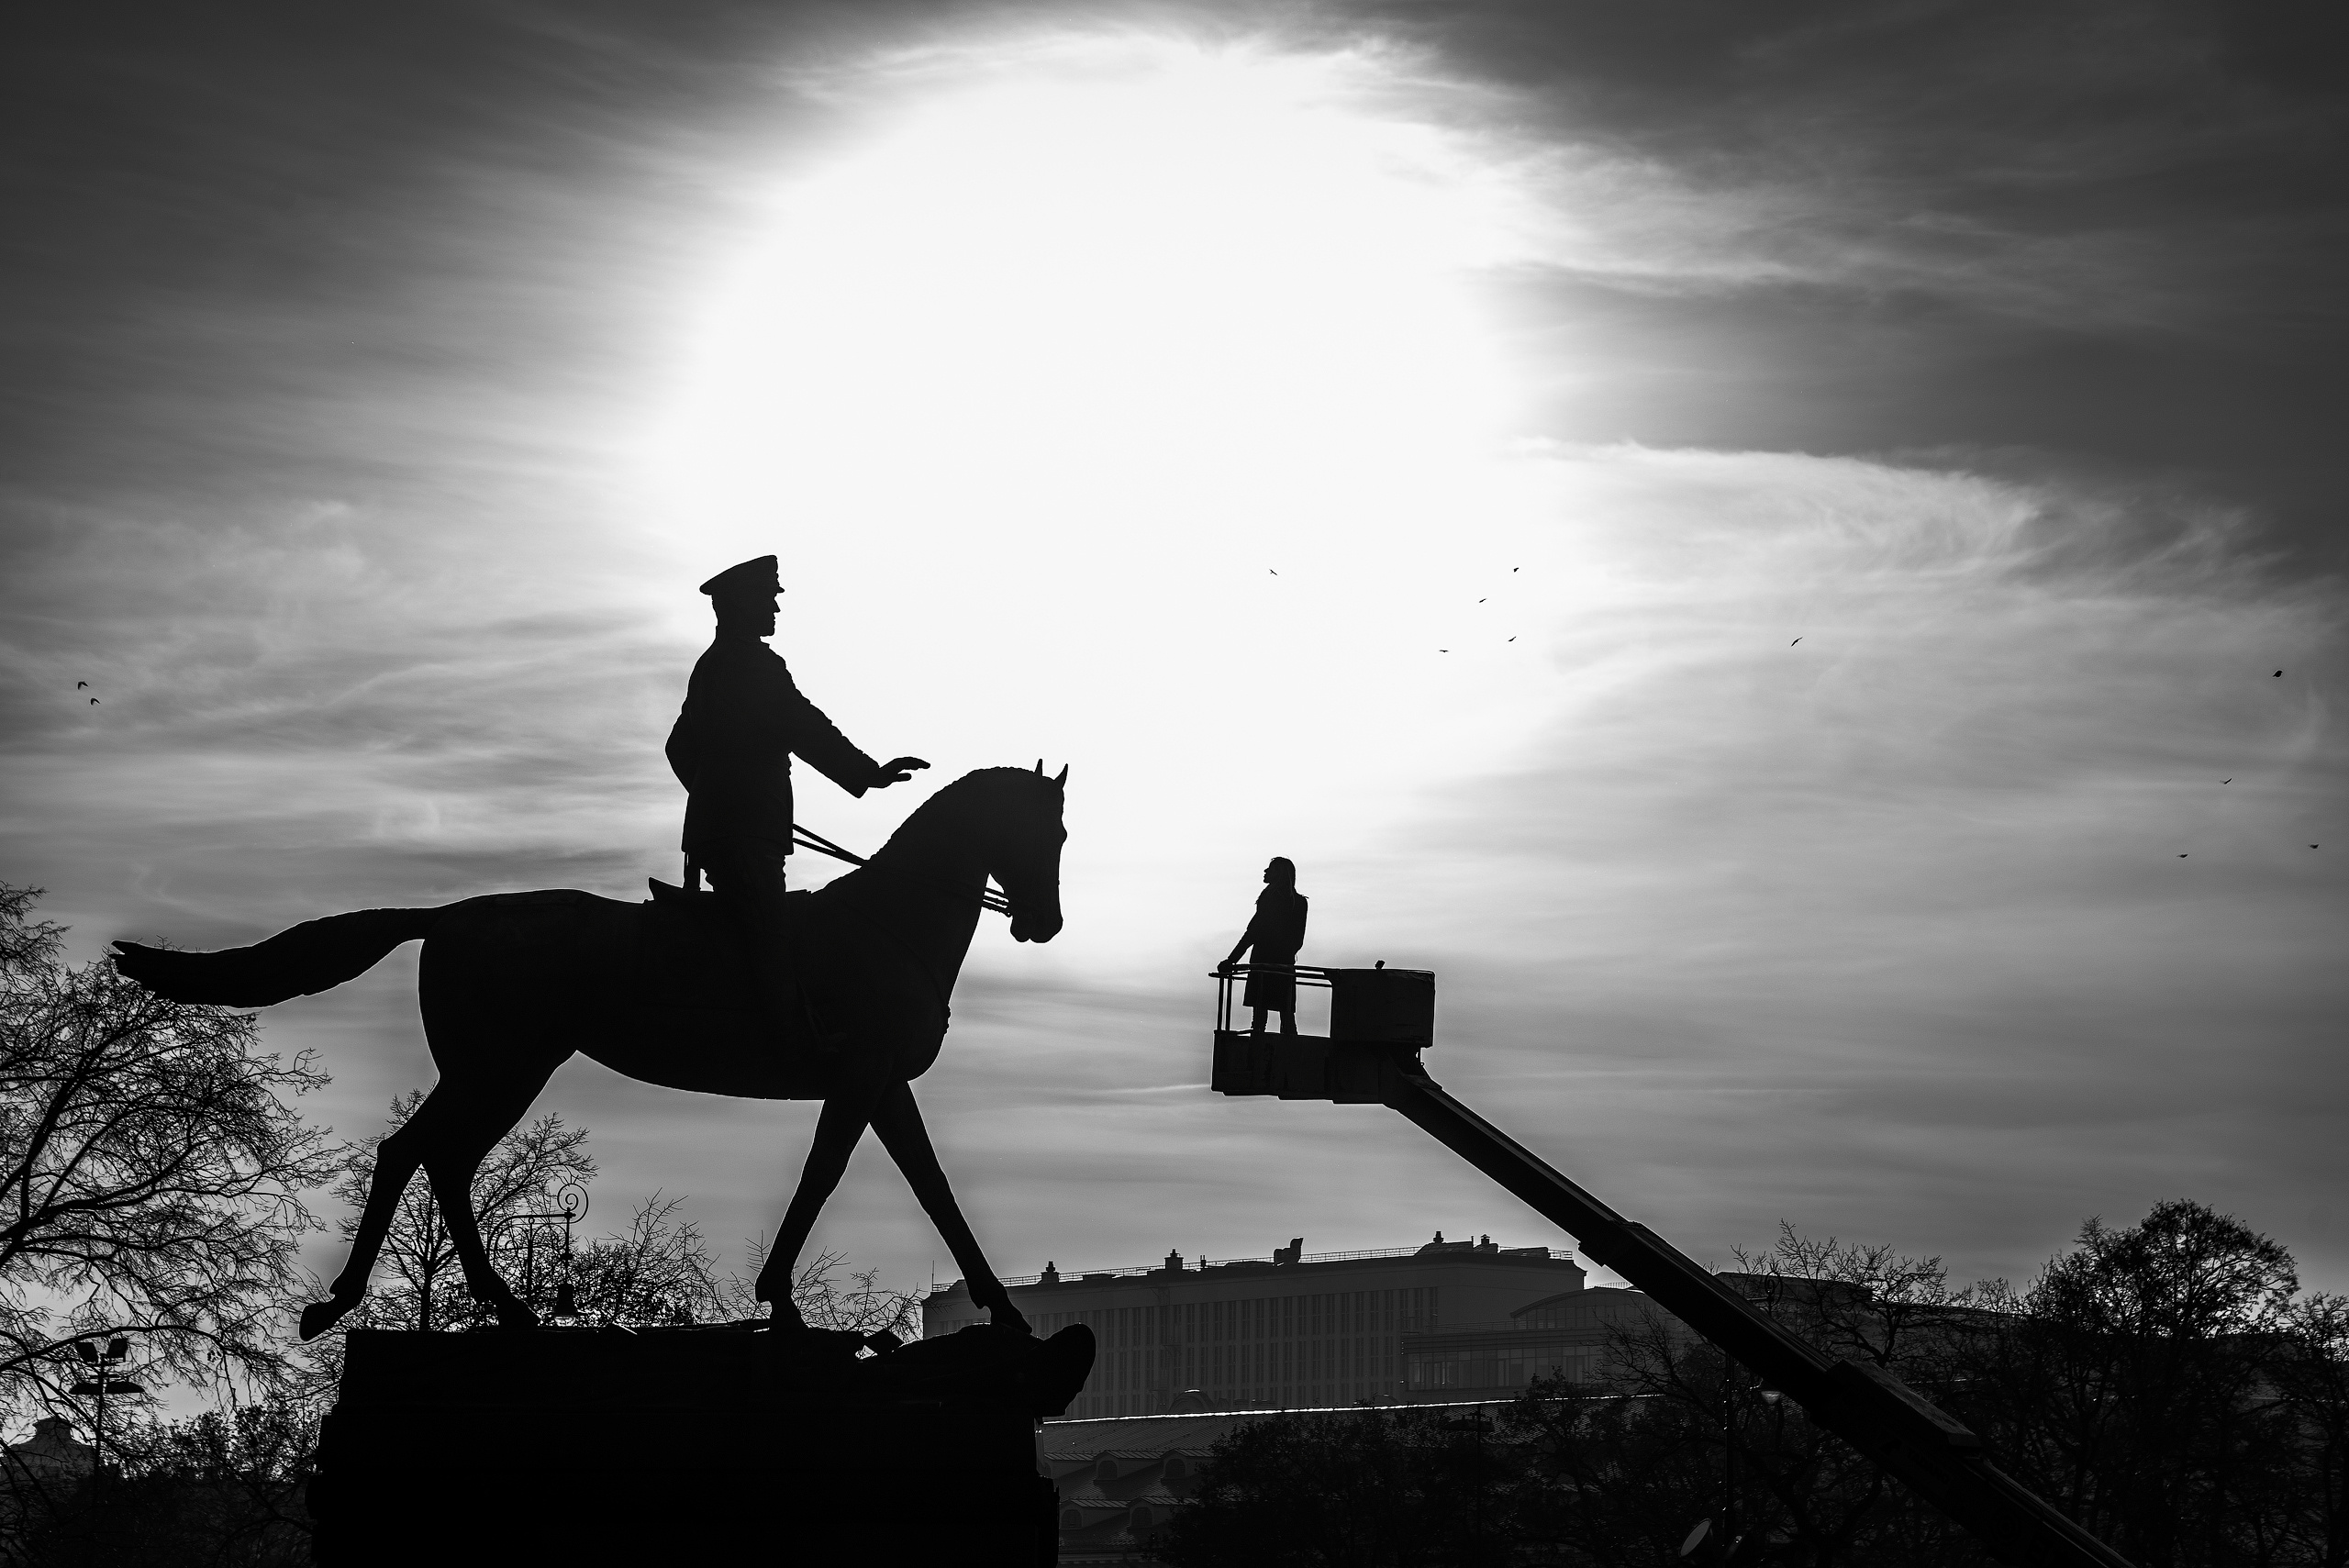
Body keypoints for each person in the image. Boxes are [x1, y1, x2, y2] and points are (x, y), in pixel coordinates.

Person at [665, 556, 928, 1042]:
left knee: (757, 931)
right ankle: (784, 1038)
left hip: (732, 830)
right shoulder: (752, 664)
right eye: (770, 598)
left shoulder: (712, 665)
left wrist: (711, 799)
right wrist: (868, 774)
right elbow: (802, 726)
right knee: (770, 939)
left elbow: (678, 747)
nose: (777, 609)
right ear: (743, 604)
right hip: (745, 834)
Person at [1220, 857, 1308, 1034]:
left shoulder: (1270, 900)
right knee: (1286, 1018)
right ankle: (1290, 1050)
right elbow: (1298, 940)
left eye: (1271, 869)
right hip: (1284, 965)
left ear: (1280, 874)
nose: (1265, 872)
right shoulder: (1299, 903)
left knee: (1260, 1020)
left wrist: (1231, 960)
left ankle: (1259, 1049)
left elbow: (1252, 933)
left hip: (1263, 963)